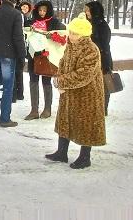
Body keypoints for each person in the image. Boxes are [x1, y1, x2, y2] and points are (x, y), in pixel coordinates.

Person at [46, 14, 106, 169]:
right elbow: (62, 64)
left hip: (87, 95)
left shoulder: (91, 49)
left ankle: (85, 157)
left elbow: (84, 74)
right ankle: (61, 152)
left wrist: (62, 81)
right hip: (69, 92)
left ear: (84, 34)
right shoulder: (70, 46)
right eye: (70, 32)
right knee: (65, 121)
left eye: (75, 33)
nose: (71, 35)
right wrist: (59, 78)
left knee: (86, 125)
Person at [25, 0, 66, 120]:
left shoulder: (54, 22)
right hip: (33, 56)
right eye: (40, 10)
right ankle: (34, 110)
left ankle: (47, 109)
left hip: (47, 57)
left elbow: (62, 35)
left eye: (44, 10)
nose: (42, 13)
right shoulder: (31, 22)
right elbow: (24, 34)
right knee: (33, 81)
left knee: (46, 81)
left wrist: (52, 36)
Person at [85, 0, 113, 116]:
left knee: (103, 85)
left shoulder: (102, 25)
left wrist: (105, 64)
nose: (86, 12)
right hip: (88, 59)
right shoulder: (86, 24)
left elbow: (105, 44)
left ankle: (103, 108)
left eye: (88, 10)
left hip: (101, 59)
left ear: (94, 11)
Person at [12, 1, 32, 103]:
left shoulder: (24, 18)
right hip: (20, 46)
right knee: (18, 70)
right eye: (23, 6)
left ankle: (17, 93)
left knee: (17, 71)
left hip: (21, 46)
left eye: (27, 8)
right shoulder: (19, 15)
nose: (25, 8)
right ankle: (19, 93)